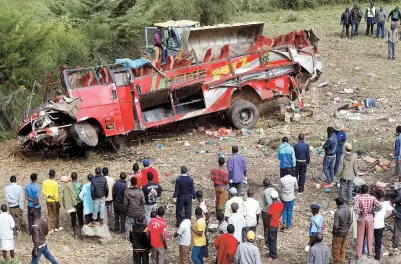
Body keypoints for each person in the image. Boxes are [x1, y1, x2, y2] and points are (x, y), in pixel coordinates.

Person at [354, 184, 382, 260]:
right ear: (368, 190)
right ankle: (370, 254)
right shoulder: (372, 198)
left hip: (361, 219)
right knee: (370, 237)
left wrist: (360, 212)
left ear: (361, 190)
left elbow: (355, 208)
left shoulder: (359, 198)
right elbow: (380, 206)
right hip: (370, 219)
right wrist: (373, 210)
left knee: (360, 237)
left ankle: (359, 255)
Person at [373, 189, 394, 260]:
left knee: (369, 239)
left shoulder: (374, 203)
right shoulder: (386, 203)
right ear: (383, 196)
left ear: (376, 196)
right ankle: (377, 256)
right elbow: (394, 212)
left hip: (372, 225)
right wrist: (385, 218)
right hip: (381, 225)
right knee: (378, 241)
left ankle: (368, 253)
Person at [332, 197, 352, 264]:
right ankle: (342, 261)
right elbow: (350, 222)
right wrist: (346, 229)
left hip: (338, 234)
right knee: (343, 248)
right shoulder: (348, 210)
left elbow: (335, 226)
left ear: (337, 203)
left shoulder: (337, 212)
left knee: (336, 249)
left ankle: (337, 262)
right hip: (345, 233)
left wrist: (334, 232)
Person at [267, 190, 284, 261]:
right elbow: (280, 213)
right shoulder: (280, 204)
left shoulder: (271, 207)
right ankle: (273, 253)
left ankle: (273, 255)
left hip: (272, 226)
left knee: (272, 240)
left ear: (271, 197)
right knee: (274, 239)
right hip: (276, 224)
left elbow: (270, 218)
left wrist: (268, 225)